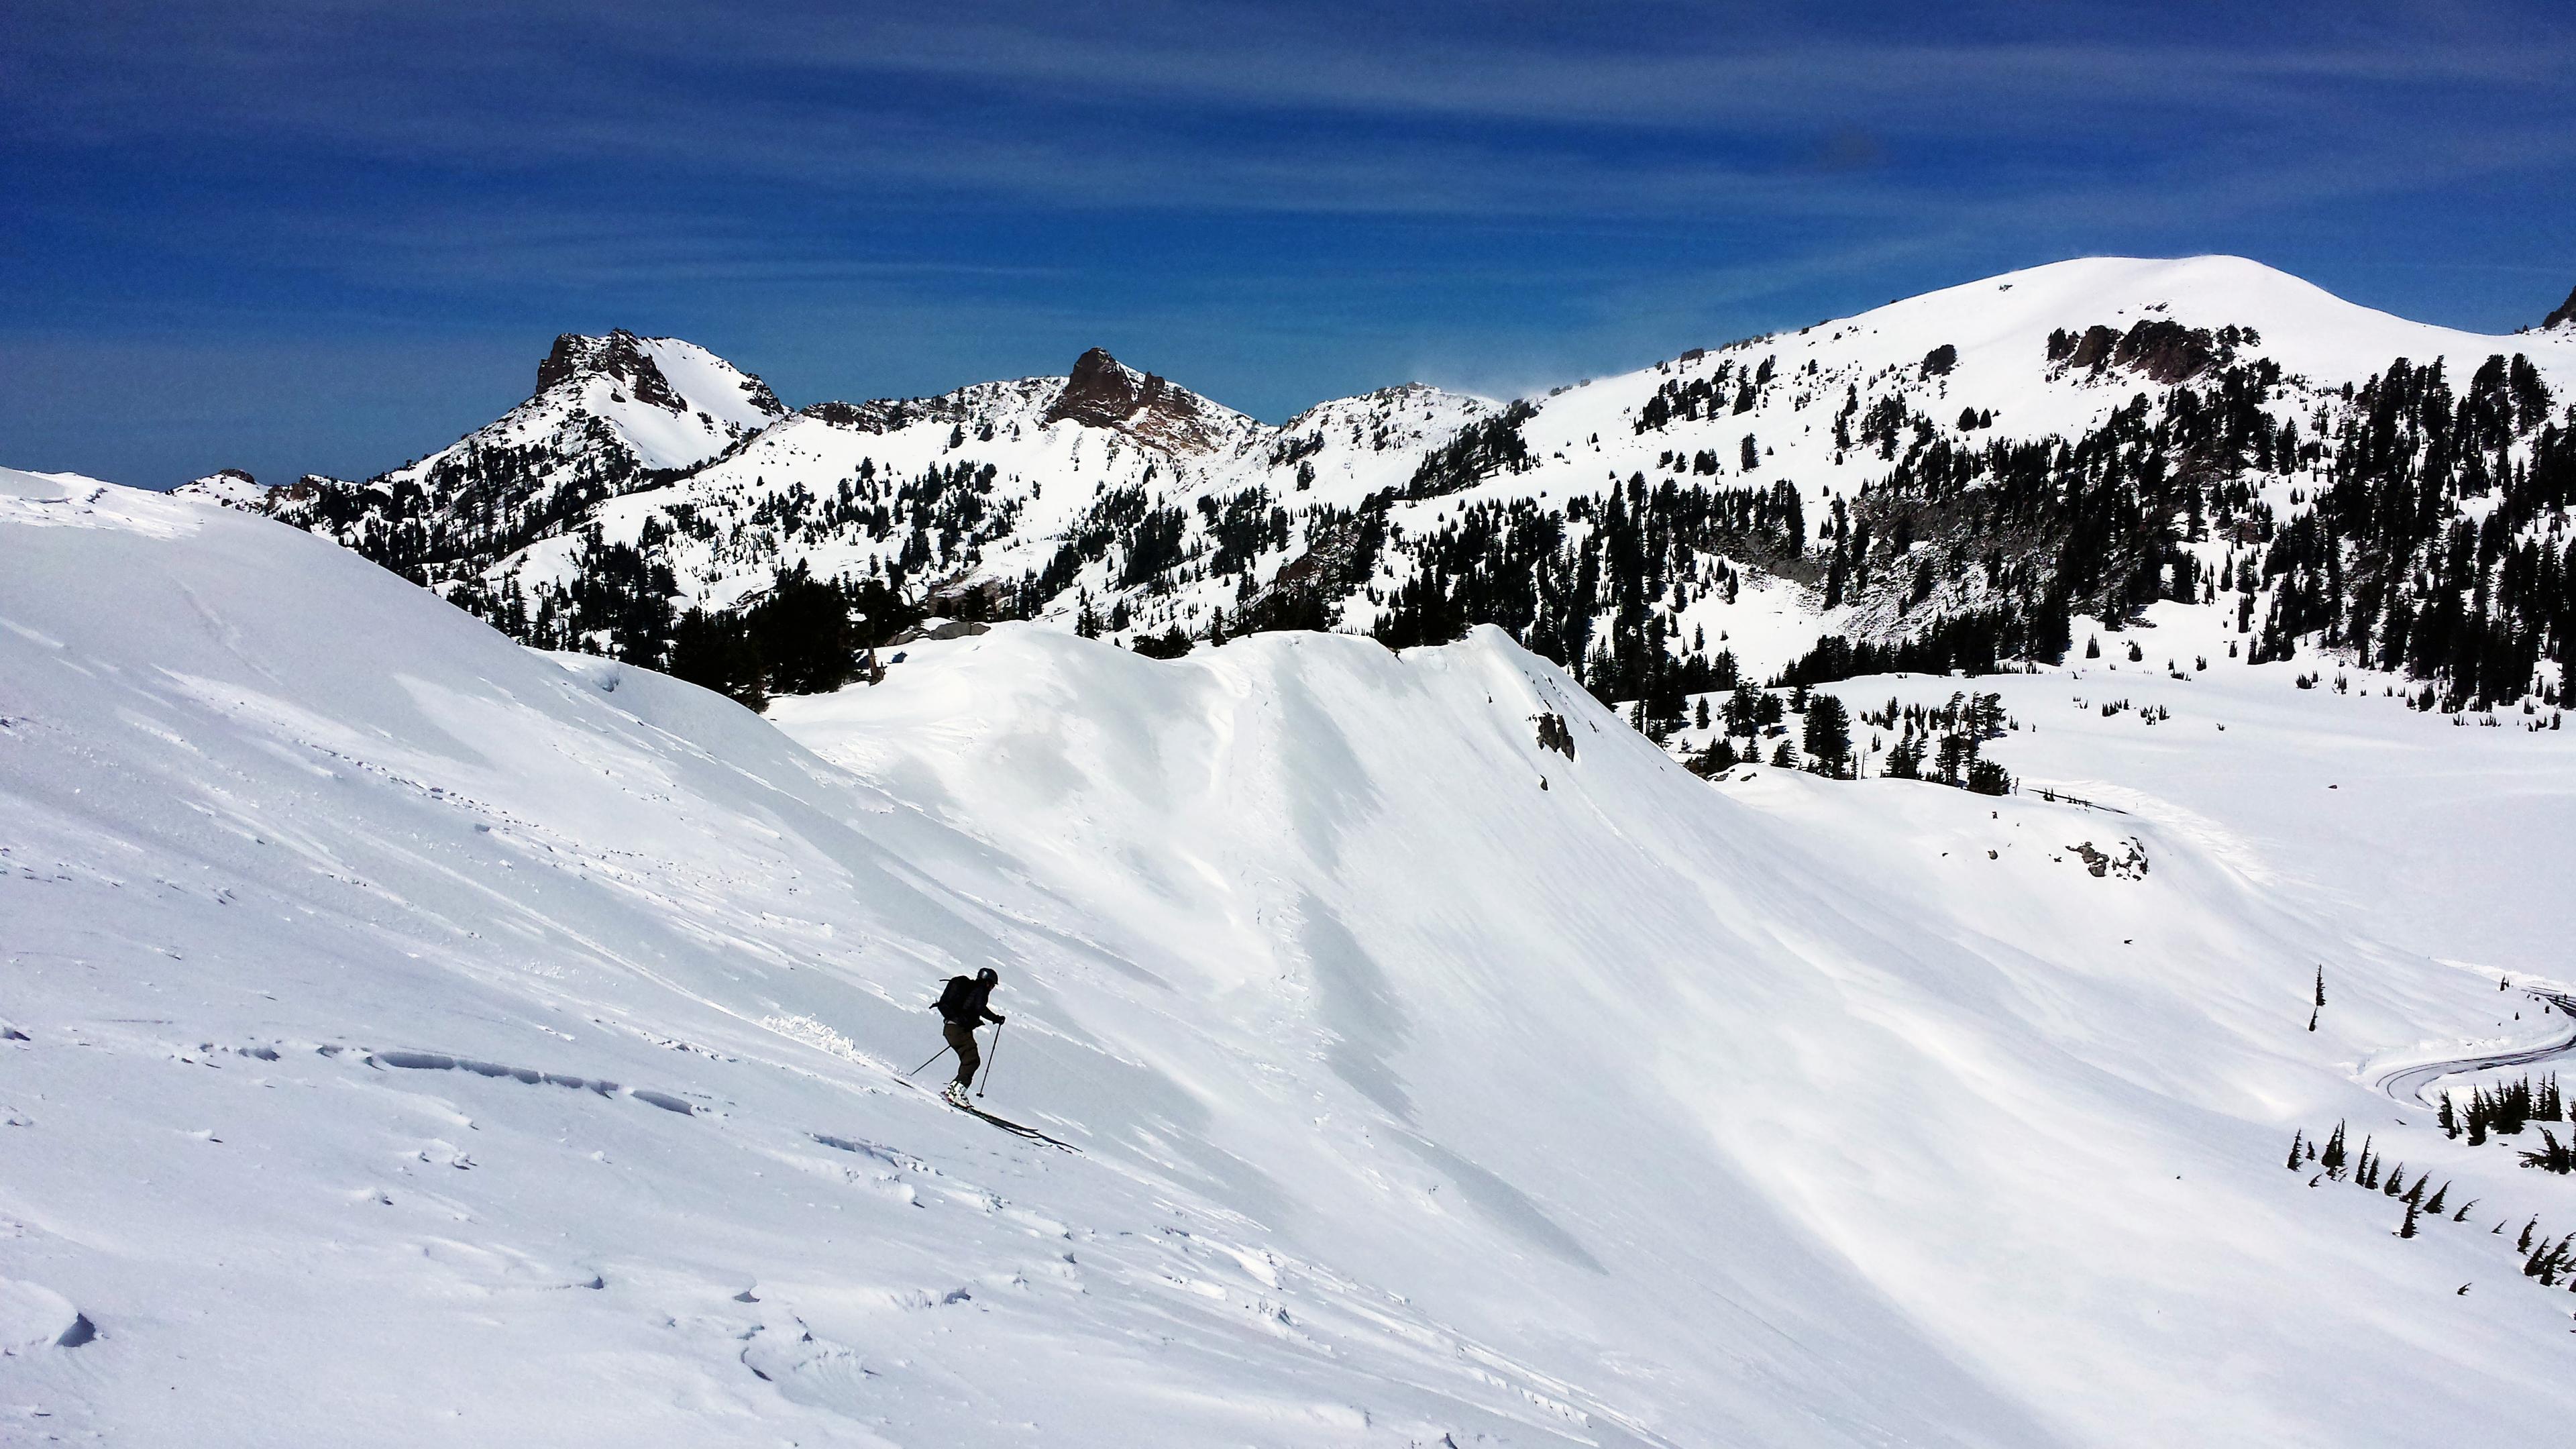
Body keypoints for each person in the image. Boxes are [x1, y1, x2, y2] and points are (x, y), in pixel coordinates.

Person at [934, 967, 1006, 1106]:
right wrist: (995, 1018)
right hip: (958, 1029)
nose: (992, 988)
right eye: (992, 985)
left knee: (970, 1059)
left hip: (951, 1027)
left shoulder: (971, 988)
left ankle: (954, 1089)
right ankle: (956, 1092)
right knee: (972, 1060)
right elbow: (980, 1008)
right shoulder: (981, 990)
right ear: (988, 982)